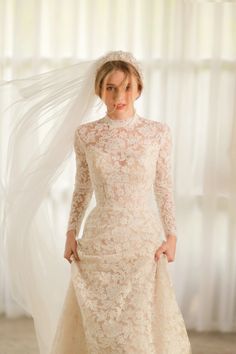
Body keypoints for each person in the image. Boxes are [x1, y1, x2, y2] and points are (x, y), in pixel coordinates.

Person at [48, 51, 192, 353]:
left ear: (139, 88)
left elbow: (163, 186)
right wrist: (70, 232)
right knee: (101, 320)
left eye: (126, 87)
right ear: (99, 90)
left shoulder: (157, 133)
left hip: (141, 239)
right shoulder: (86, 135)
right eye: (110, 88)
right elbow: (82, 186)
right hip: (100, 237)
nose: (118, 96)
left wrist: (172, 235)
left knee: (137, 319)